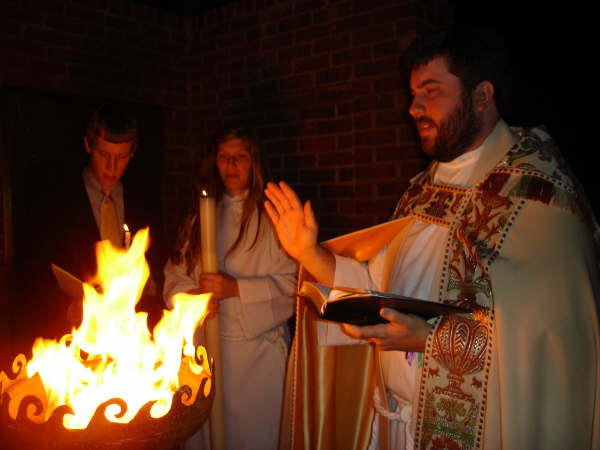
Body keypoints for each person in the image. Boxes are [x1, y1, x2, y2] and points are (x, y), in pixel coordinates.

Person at [265, 27, 600, 449]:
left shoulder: (539, 194)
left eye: (431, 92)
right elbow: (380, 284)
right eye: (413, 94)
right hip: (394, 426)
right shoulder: (422, 190)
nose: (413, 108)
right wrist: (308, 253)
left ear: (481, 96)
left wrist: (431, 340)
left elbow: (553, 336)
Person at [163, 127, 297, 450]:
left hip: (257, 361)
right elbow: (174, 278)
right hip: (205, 353)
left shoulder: (273, 218)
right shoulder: (199, 216)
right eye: (224, 157)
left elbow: (295, 286)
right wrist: (194, 301)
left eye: (240, 157)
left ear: (254, 162)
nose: (230, 166)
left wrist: (237, 288)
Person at [14, 103, 164, 348]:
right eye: (104, 155)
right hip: (76, 341)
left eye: (121, 157)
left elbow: (157, 265)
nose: (112, 167)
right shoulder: (57, 201)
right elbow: (34, 271)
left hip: (132, 339)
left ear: (133, 153)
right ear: (88, 145)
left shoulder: (143, 200)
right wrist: (69, 306)